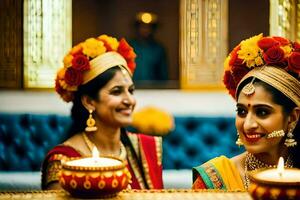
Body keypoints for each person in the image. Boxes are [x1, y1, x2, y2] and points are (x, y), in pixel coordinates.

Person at [41, 34, 163, 190]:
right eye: (117, 91)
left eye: (131, 91)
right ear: (89, 102)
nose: (129, 100)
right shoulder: (63, 160)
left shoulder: (147, 148)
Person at [192, 34, 300, 191]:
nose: (248, 124)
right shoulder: (216, 179)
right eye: (242, 111)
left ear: (292, 117)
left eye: (262, 112)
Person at [129, 12, 169, 85]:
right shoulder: (129, 46)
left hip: (153, 90)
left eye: (148, 27)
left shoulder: (158, 49)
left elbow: (163, 74)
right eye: (142, 26)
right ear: (137, 28)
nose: (145, 30)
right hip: (131, 87)